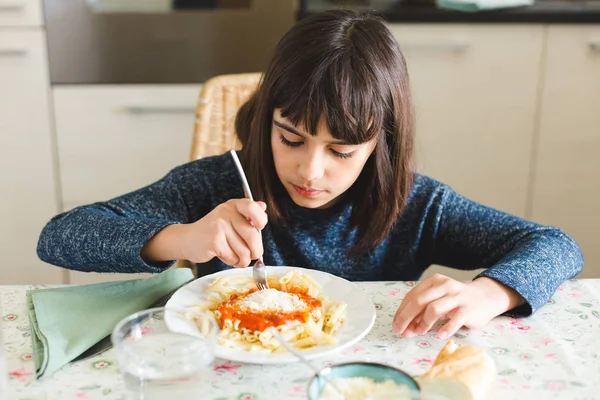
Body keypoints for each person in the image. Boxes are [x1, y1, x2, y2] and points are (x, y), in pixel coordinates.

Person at [37, 10, 583, 339]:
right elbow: (59, 236)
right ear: (265, 118)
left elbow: (555, 245)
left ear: (379, 144)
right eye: (290, 138)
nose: (310, 170)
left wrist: (491, 293)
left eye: (342, 151)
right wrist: (181, 236)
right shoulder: (216, 185)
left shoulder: (415, 204)